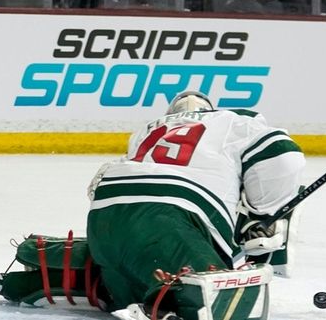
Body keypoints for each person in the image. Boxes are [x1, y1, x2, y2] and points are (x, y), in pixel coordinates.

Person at [87, 90, 305, 319]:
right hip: (172, 214)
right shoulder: (233, 120)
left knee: (132, 280)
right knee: (220, 298)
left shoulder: (148, 129)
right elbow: (283, 152)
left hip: (103, 217)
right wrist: (263, 212)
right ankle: (167, 304)